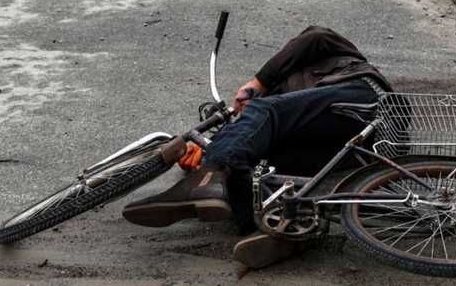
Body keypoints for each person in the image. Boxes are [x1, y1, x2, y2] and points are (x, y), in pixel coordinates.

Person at [122, 26, 392, 270]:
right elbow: (251, 136)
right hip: (342, 145)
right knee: (261, 169)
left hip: (361, 100)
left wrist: (258, 82)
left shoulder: (323, 50)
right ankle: (278, 226)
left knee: (264, 113)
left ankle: (210, 177)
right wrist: (206, 151)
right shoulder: (282, 101)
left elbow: (316, 37)